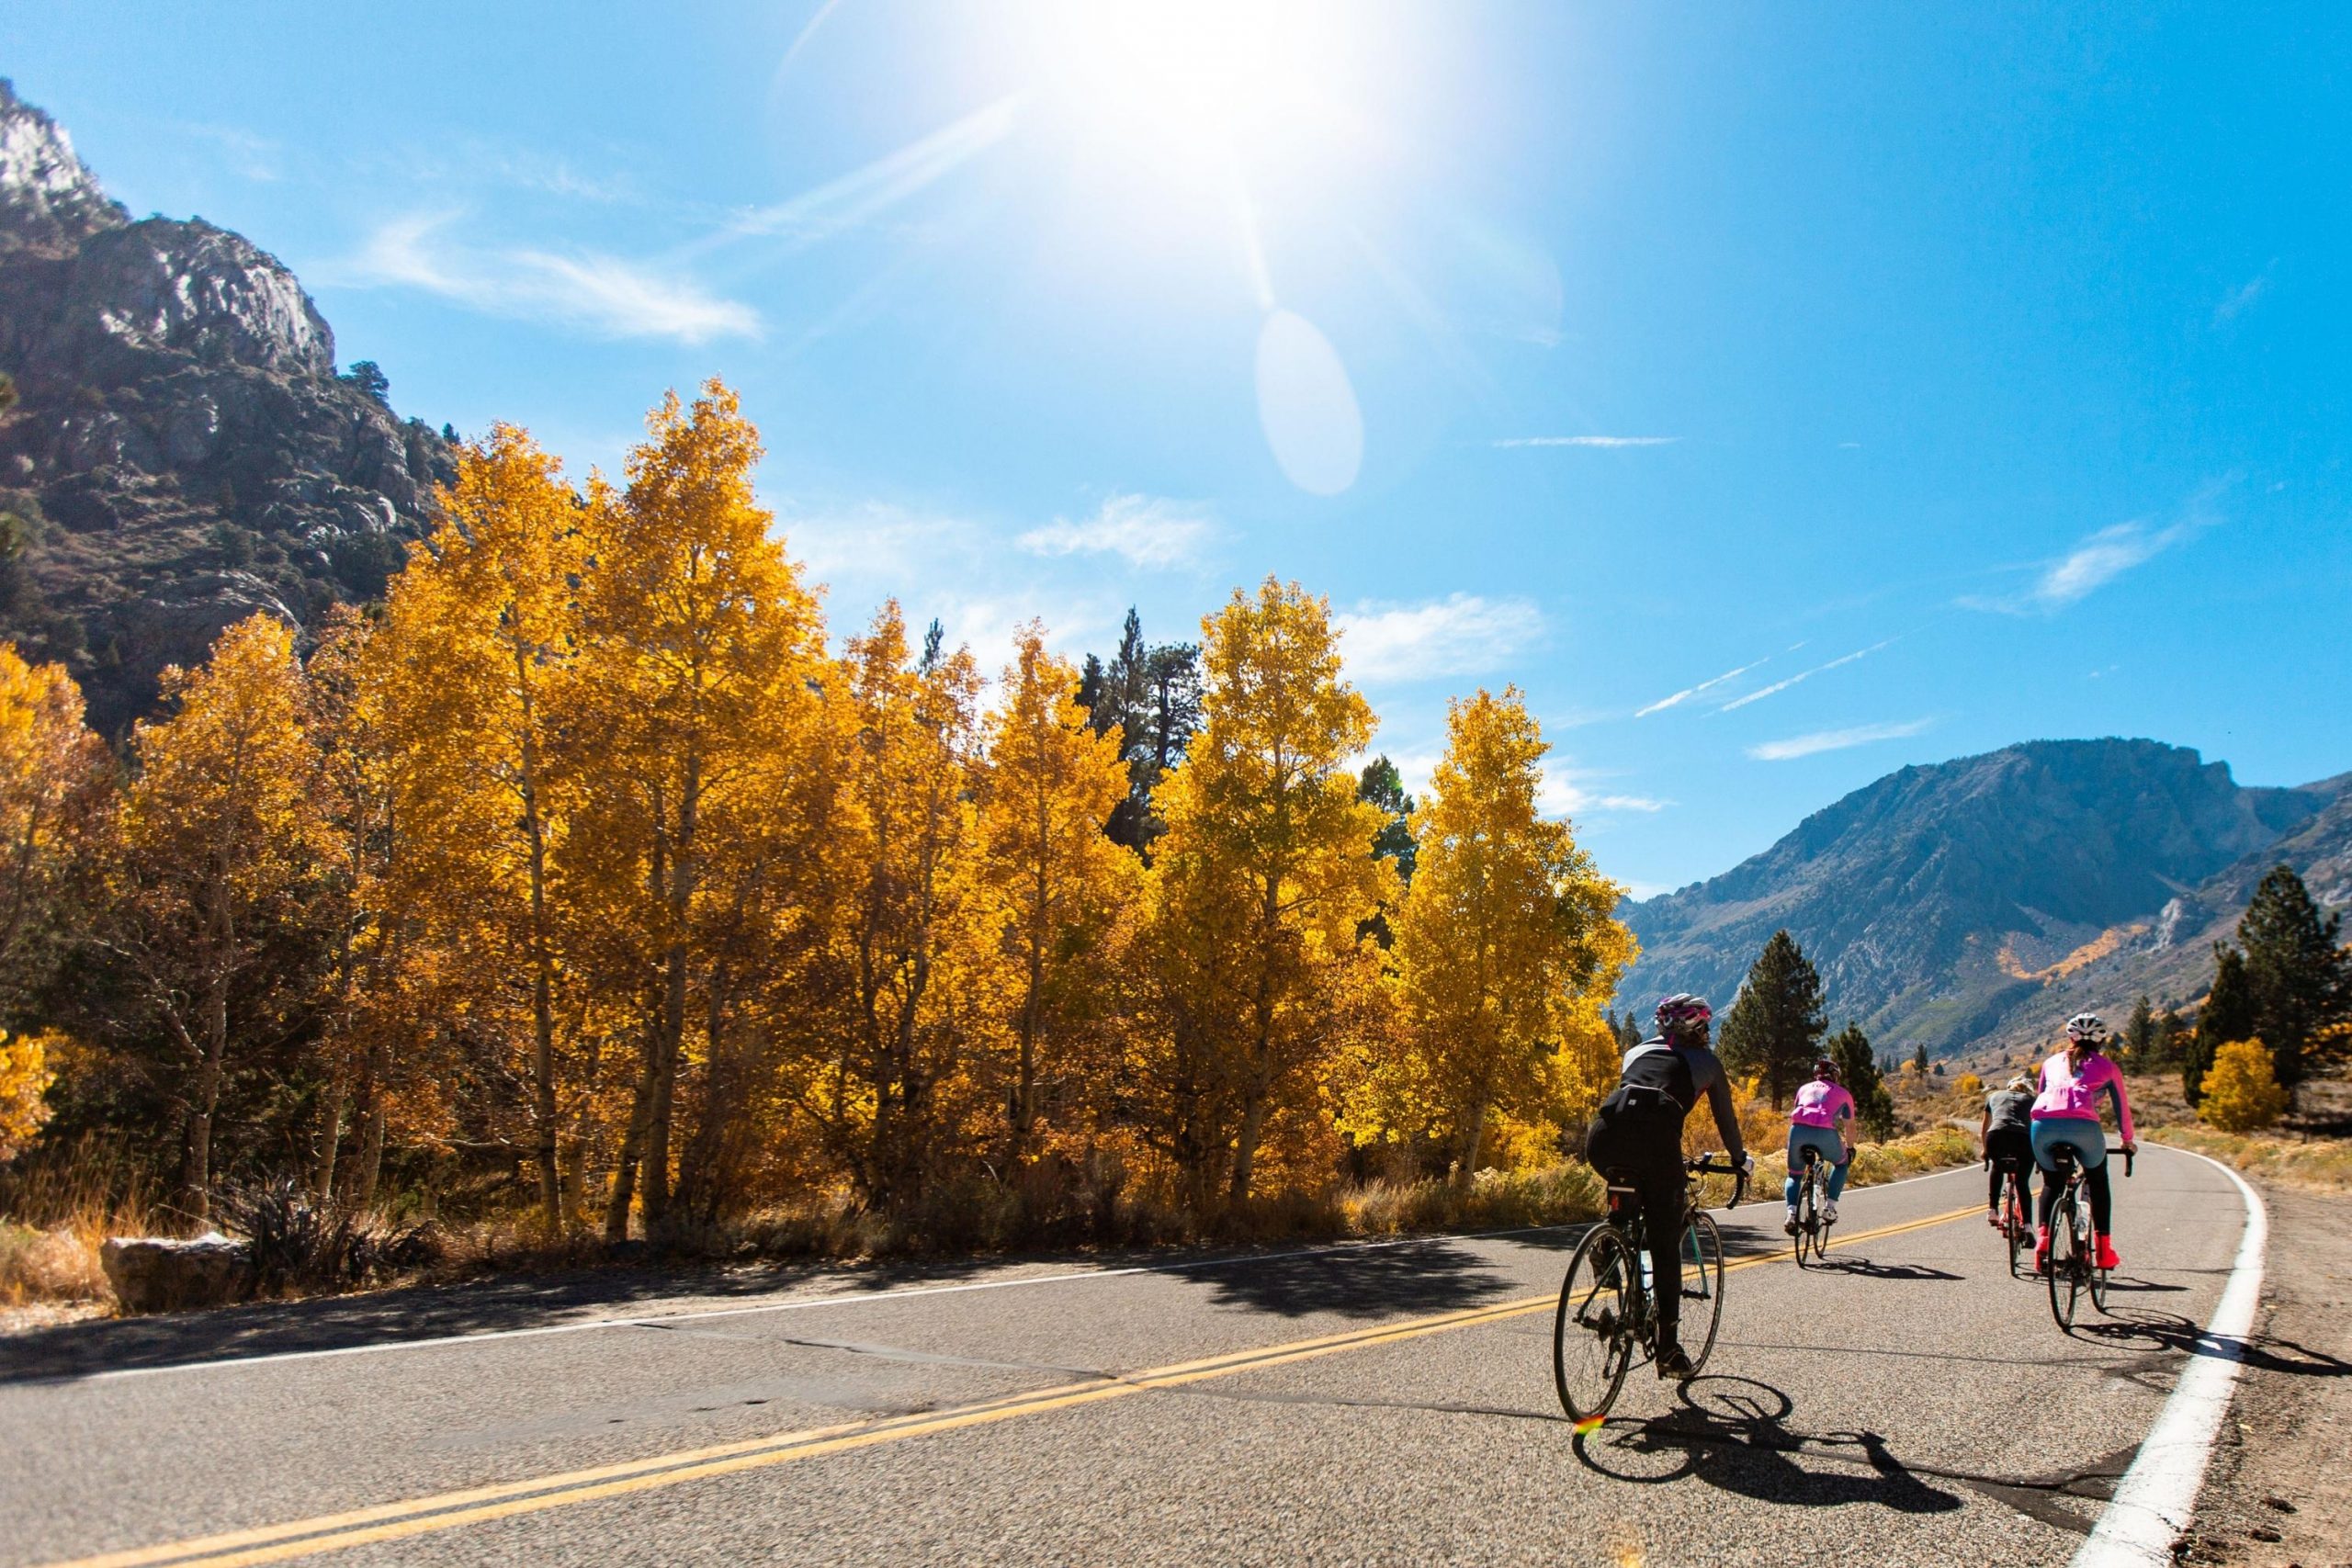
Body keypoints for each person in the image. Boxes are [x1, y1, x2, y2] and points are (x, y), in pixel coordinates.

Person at [1585, 993, 1755, 1381]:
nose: (1709, 1033)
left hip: (1604, 1139)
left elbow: (1634, 1105)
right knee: (1664, 1245)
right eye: (1706, 1026)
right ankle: (1668, 1349)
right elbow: (1726, 1120)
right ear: (1698, 1028)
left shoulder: (1634, 1052)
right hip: (1658, 1145)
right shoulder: (1707, 1062)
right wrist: (1739, 1159)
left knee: (1628, 1188)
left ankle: (1611, 1236)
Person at [2031, 1012, 2137, 1273]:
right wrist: (2127, 1140)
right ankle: (2104, 1250)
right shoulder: (2108, 1067)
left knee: (2052, 1183)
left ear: (2071, 1038)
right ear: (2101, 1040)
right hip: (2084, 1127)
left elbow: (2040, 1095)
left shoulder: (2050, 1062)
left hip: (2042, 1127)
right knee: (2098, 1180)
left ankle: (2043, 1242)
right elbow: (2122, 1107)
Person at [1782, 1055, 1855, 1232]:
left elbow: (1796, 1111)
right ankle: (1829, 1208)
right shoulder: (1844, 1094)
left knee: (1794, 1175)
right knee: (1842, 1164)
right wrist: (1850, 1148)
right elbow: (1850, 1126)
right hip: (1825, 1133)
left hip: (1798, 1131)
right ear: (1835, 1076)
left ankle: (1791, 1214)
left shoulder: (1803, 1088)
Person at [1980, 1073, 2037, 1229]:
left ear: (2009, 1087)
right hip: (2022, 1138)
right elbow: (2036, 1128)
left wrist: (1985, 1150)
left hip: (1996, 1136)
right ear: (2027, 1091)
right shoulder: (2032, 1100)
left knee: (1997, 1166)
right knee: (2022, 1182)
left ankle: (1992, 1210)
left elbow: (1985, 1128)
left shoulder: (1993, 1096)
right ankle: (2028, 1226)